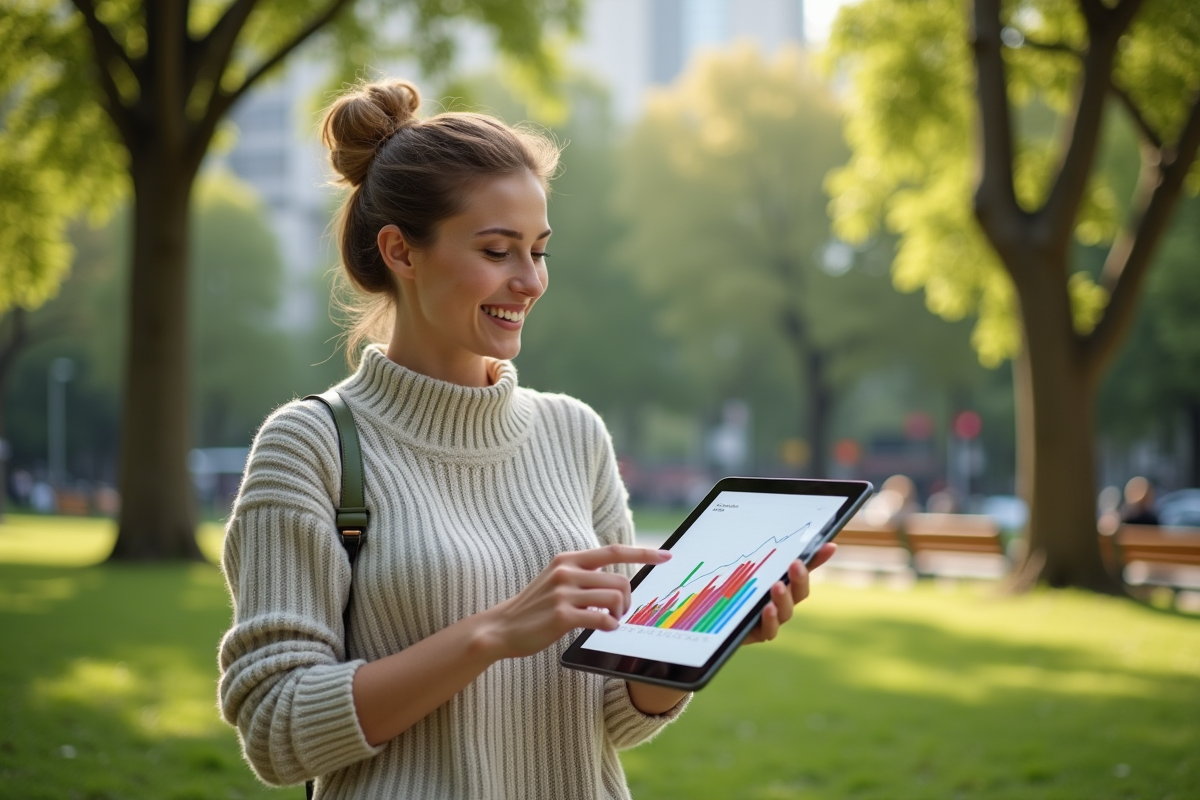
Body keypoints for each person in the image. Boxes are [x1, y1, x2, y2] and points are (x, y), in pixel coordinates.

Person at [217, 78, 835, 799]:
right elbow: (274, 730)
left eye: (538, 251)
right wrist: (493, 633)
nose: (530, 281)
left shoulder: (574, 433)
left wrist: (688, 648)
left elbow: (611, 711)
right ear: (401, 252)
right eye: (498, 250)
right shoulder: (309, 447)